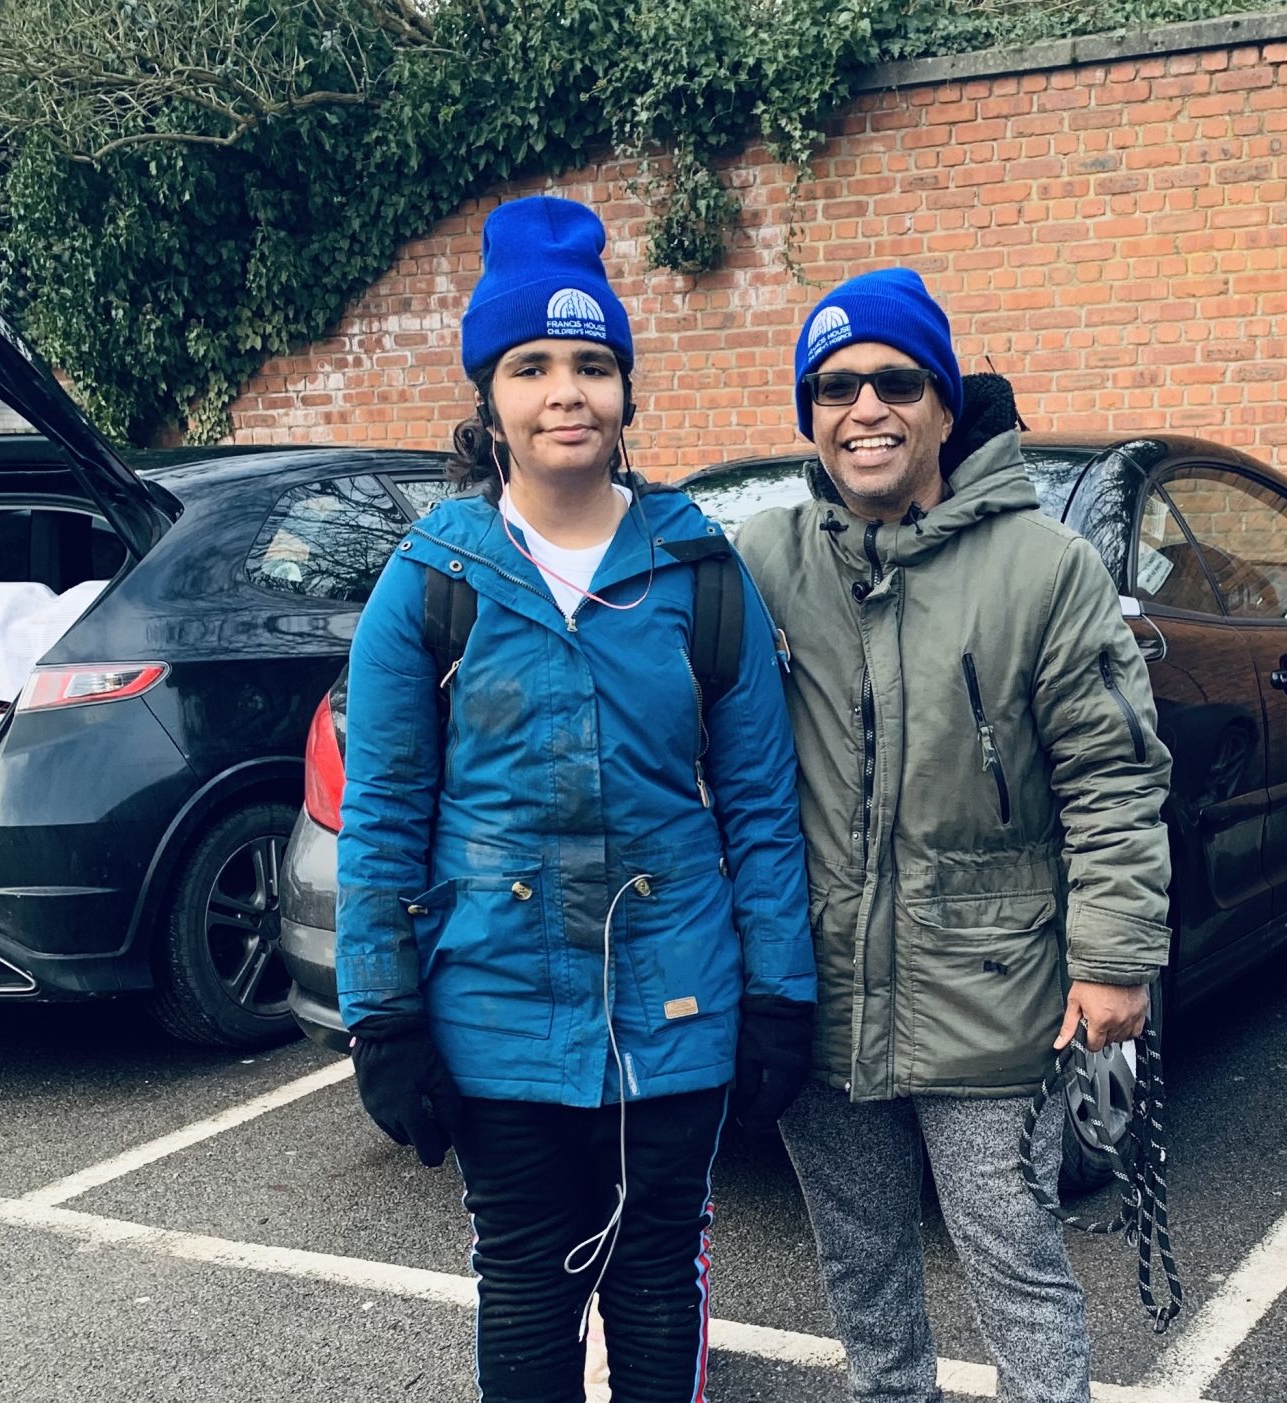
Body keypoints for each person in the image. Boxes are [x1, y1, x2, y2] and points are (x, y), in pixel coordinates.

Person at [334, 194, 816, 1403]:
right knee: (529, 1279)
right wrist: (380, 1012)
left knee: (656, 1273)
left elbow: (759, 803)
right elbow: (384, 816)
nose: (567, 391)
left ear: (626, 391)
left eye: (593, 364)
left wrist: (782, 995)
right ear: (489, 396)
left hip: (681, 999)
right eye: (534, 365)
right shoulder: (430, 582)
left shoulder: (701, 571)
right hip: (494, 1006)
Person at [736, 269, 1175, 1403]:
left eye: (894, 379)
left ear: (941, 402)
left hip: (991, 990)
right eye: (835, 386)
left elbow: (1113, 773)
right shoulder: (762, 565)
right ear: (810, 413)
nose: (864, 407)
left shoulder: (1044, 569)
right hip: (820, 989)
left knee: (1018, 1271)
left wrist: (1114, 956)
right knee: (862, 1273)